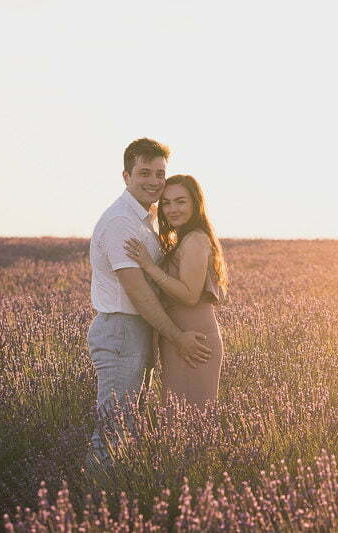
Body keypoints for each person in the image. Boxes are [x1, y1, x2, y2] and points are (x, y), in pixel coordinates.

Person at [87, 139, 211, 466]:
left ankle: (116, 506)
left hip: (138, 331)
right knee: (114, 430)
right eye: (144, 172)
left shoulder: (147, 218)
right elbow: (138, 292)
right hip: (121, 331)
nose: (154, 181)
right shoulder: (121, 223)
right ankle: (92, 512)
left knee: (129, 428)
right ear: (126, 175)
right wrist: (176, 336)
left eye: (159, 173)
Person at [124, 174, 228, 408]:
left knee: (190, 422)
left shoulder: (194, 240)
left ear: (195, 203)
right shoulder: (181, 239)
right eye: (167, 203)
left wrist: (149, 266)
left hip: (196, 343)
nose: (172, 209)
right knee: (179, 421)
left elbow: (190, 295)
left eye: (181, 201)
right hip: (182, 341)